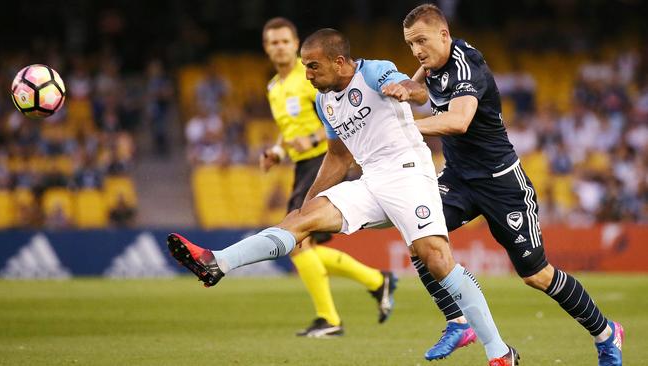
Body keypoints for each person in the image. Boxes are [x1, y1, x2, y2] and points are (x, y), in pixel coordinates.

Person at [167, 28, 518, 366]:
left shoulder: (375, 71)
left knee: (436, 259)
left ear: (338, 61)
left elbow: (421, 93)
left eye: (313, 65)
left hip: (409, 173)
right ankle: (217, 262)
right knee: (297, 220)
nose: (307, 74)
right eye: (305, 66)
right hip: (371, 180)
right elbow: (337, 157)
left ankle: (499, 352)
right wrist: (311, 200)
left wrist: (406, 91)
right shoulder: (325, 102)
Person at [400, 4, 624, 365]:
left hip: (502, 183)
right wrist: (404, 89)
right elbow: (421, 85)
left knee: (537, 275)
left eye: (421, 41)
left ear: (444, 35)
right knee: (419, 236)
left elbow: (458, 122)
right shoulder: (432, 62)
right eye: (410, 44)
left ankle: (606, 333)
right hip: (458, 178)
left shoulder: (466, 66)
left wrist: (403, 126)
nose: (417, 51)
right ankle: (458, 323)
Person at [258, 17, 398, 337]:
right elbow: (287, 131)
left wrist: (310, 141)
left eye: (284, 41)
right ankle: (378, 282)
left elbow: (333, 120)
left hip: (322, 163)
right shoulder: (274, 88)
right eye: (272, 42)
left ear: (295, 44)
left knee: (296, 240)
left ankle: (330, 319)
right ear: (266, 48)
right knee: (304, 243)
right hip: (301, 166)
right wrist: (277, 153)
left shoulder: (310, 76)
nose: (279, 47)